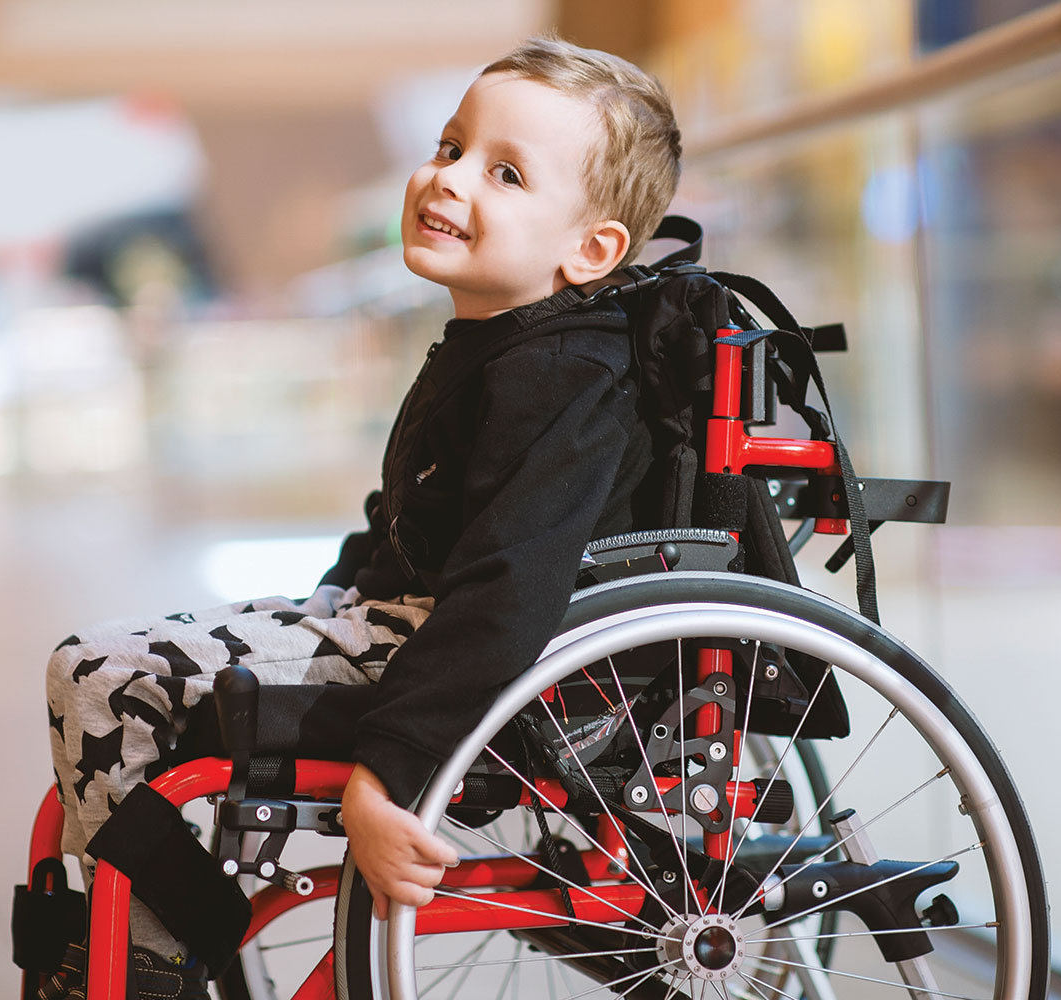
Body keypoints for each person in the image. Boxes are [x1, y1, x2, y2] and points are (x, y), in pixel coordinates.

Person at [41, 35, 682, 996]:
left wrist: (387, 782)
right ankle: (148, 933)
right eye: (450, 144)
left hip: (481, 666)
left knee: (98, 675)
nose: (447, 178)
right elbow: (406, 531)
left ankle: (158, 952)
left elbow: (509, 593)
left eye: (504, 173)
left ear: (589, 251)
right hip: (408, 627)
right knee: (103, 670)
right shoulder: (498, 344)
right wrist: (317, 607)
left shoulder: (568, 375)